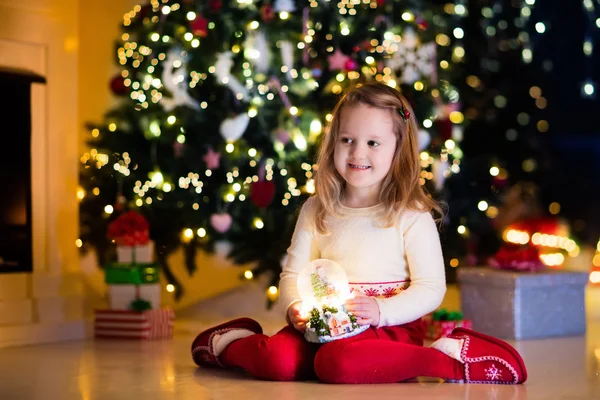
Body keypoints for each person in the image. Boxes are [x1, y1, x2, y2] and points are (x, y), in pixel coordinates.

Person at [191, 82, 527, 384]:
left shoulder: (411, 214)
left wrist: (382, 311)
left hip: (387, 328)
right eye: (347, 140)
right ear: (333, 142)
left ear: (398, 150)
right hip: (320, 326)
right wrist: (294, 305)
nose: (357, 152)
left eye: (373, 143)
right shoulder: (317, 208)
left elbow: (431, 288)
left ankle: (448, 358)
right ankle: (230, 344)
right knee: (276, 360)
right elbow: (292, 274)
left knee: (338, 363)